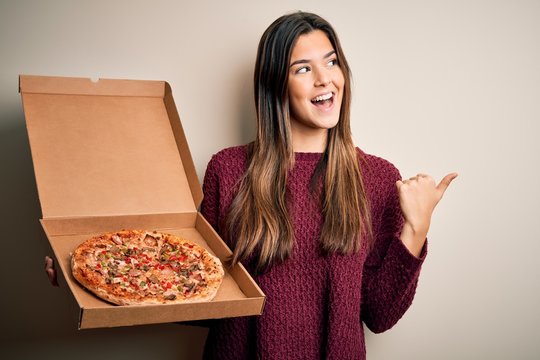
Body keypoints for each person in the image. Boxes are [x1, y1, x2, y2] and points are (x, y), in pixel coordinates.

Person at [46, 11, 457, 360]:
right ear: (275, 84)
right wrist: (96, 274)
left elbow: (379, 315)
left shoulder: (379, 178)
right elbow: (204, 299)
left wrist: (415, 229)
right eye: (303, 69)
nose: (324, 80)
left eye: (331, 62)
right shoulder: (228, 169)